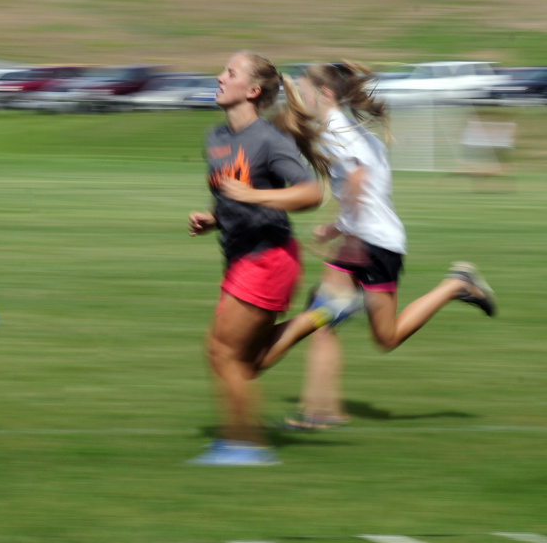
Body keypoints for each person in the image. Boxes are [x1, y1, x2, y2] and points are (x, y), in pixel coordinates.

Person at [252, 62, 496, 428]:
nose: (299, 98)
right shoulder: (348, 132)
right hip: (359, 240)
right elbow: (369, 191)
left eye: (304, 91)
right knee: (321, 316)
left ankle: (456, 285)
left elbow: (360, 179)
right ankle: (321, 410)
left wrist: (347, 233)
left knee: (386, 337)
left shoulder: (338, 133)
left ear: (326, 95)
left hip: (376, 245)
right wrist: (336, 228)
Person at [186, 51, 344, 466]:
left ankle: (244, 445)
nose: (219, 76)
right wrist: (214, 219)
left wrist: (255, 196)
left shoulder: (270, 141)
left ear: (252, 91)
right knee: (248, 362)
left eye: (230, 72)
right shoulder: (215, 138)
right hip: (238, 258)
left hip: (269, 258)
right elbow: (231, 198)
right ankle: (320, 314)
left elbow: (311, 194)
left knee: (222, 352)